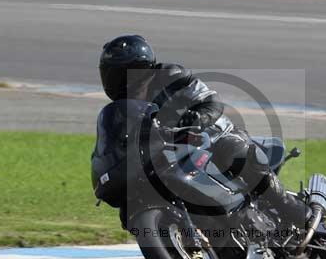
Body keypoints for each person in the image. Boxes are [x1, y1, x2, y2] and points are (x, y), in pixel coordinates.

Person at [98, 34, 312, 228]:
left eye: (127, 73)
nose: (124, 80)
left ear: (144, 69)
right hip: (166, 156)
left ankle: (289, 207)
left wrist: (199, 117)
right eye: (116, 75)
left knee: (234, 151)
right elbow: (113, 144)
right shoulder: (120, 112)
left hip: (211, 136)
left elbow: (211, 101)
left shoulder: (171, 76)